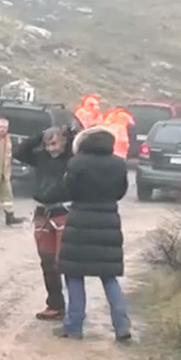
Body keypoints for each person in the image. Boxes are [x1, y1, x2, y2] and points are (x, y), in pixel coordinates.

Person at [55, 126, 132, 342]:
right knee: (109, 277)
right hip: (108, 220)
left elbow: (68, 190)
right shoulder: (119, 163)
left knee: (74, 275)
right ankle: (122, 326)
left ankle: (74, 327)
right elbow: (121, 192)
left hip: (80, 220)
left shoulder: (77, 162)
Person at [15, 125, 76, 320]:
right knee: (47, 262)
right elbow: (20, 152)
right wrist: (40, 135)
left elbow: (78, 147)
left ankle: (75, 308)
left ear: (63, 143)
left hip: (63, 212)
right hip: (43, 213)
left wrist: (71, 134)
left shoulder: (71, 159)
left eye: (54, 143)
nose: (50, 147)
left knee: (64, 262)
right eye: (47, 144)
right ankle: (55, 304)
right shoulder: (40, 158)